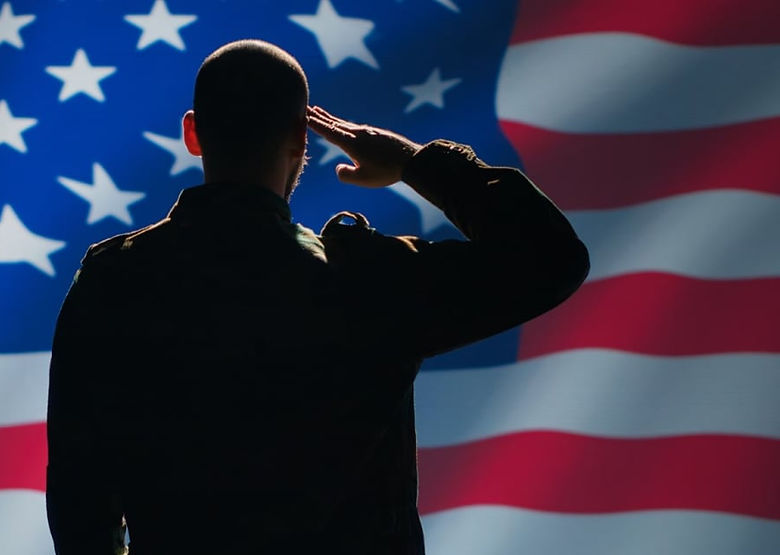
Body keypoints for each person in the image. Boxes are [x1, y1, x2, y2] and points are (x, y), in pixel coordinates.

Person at [46, 39, 589, 555]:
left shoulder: (115, 279)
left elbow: (79, 495)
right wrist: (416, 162)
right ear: (301, 141)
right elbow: (550, 259)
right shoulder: (366, 279)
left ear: (193, 134)